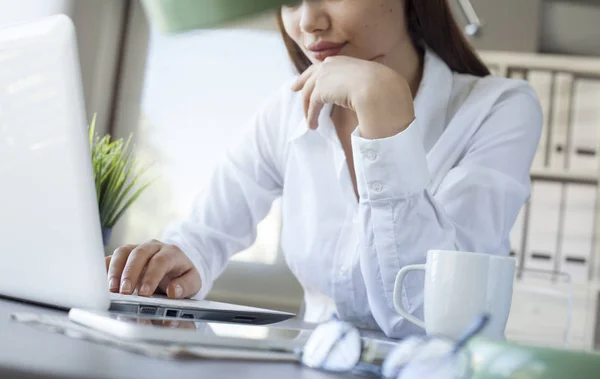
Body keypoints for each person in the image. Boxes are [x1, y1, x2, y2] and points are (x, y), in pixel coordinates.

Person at [106, 0, 542, 338]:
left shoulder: (499, 109)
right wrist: (173, 264)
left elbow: (430, 319)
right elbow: (204, 236)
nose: (309, 21)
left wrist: (382, 111)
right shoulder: (286, 111)